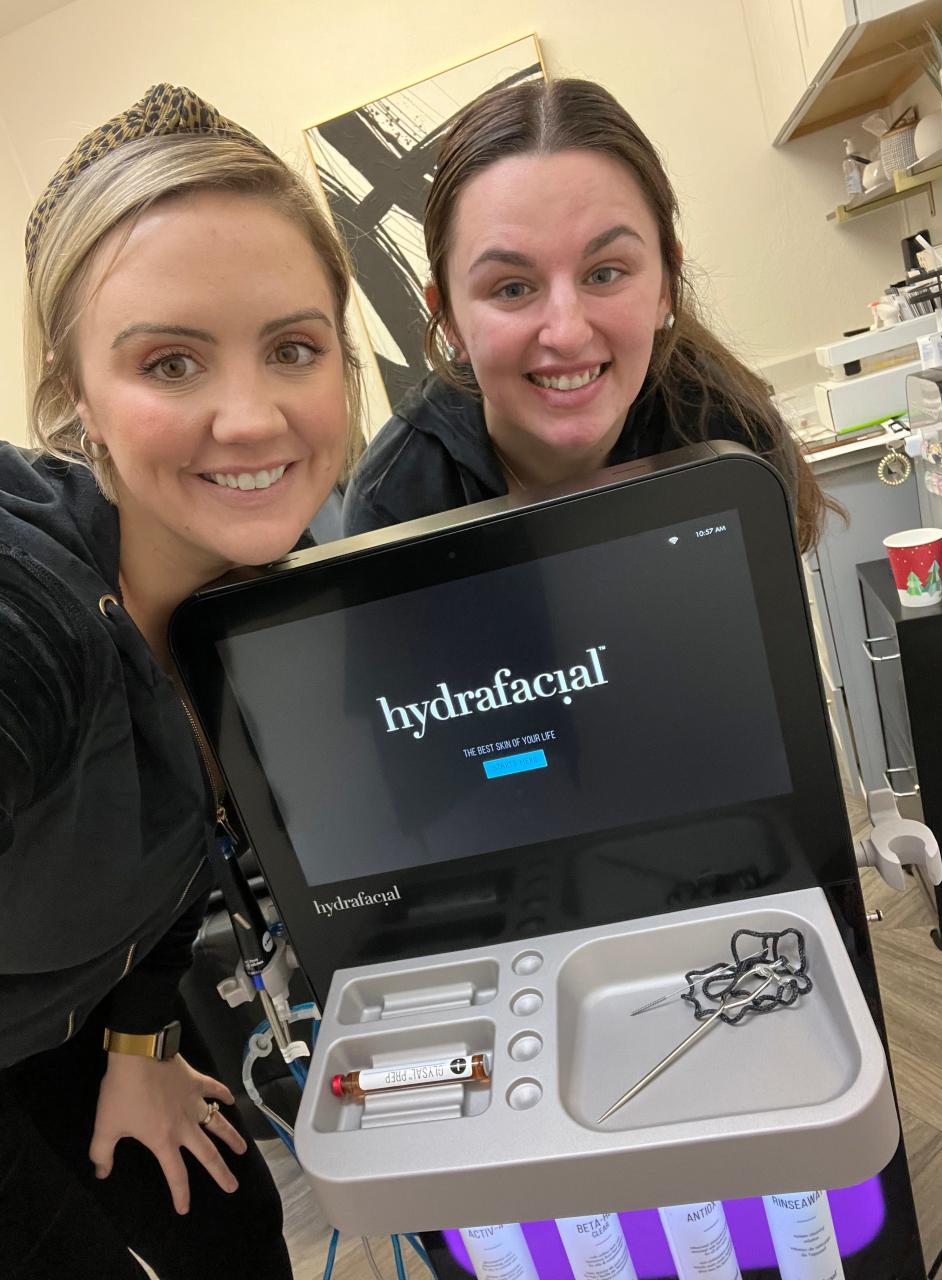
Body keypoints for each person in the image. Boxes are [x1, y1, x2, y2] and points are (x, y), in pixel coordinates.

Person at [0, 84, 363, 1279]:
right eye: (170, 361)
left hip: (63, 1020)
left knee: (231, 1227)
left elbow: (182, 855)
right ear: (75, 395)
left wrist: (145, 1035)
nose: (251, 417)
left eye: (293, 349)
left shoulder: (257, 600)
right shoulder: (36, 607)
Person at [343, 77, 834, 553]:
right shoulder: (393, 504)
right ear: (448, 319)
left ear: (666, 284)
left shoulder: (733, 436)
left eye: (604, 274)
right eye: (512, 287)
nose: (568, 333)